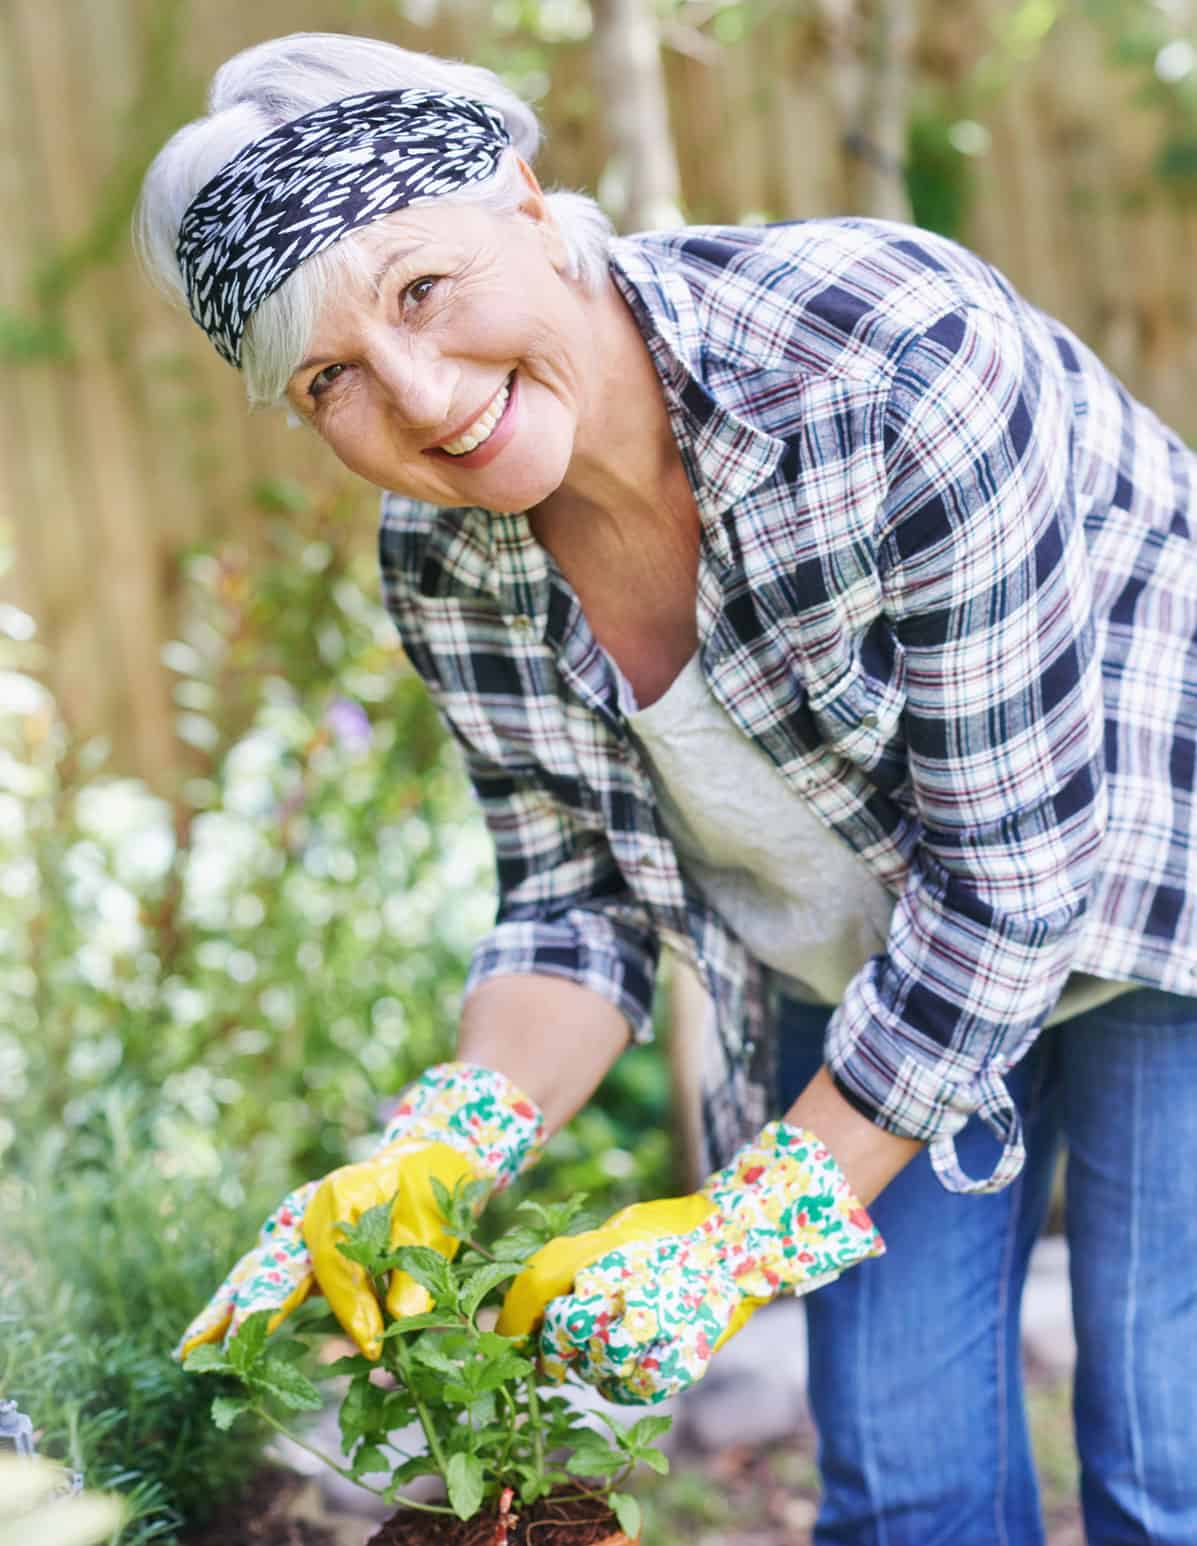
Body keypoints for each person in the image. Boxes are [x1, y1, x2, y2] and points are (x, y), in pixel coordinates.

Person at [135, 31, 1197, 1545]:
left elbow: (1013, 886)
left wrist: (741, 1229)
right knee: (904, 1488)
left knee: (1169, 1457)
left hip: (1156, 874)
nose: (422, 397)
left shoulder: (889, 362)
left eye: (421, 291)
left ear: (521, 192)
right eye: (331, 378)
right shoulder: (445, 558)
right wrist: (435, 1144)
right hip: (870, 943)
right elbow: (573, 905)